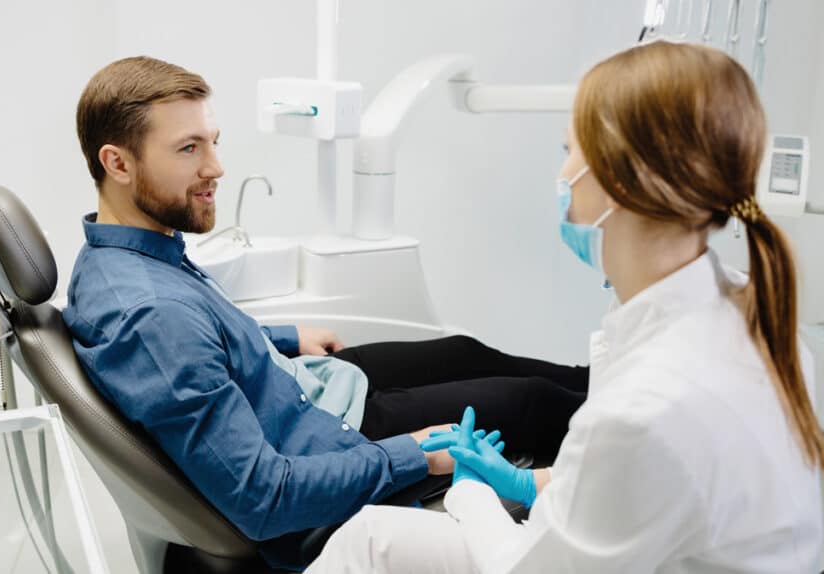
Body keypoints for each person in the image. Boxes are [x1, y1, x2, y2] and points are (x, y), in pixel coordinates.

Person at [305, 40, 824, 574]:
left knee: (374, 540)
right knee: (372, 535)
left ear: (620, 180)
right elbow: (621, 492)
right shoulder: (747, 310)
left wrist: (470, 494)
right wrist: (527, 482)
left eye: (568, 151)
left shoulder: (648, 407)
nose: (562, 175)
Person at [62, 55, 588, 569]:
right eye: (188, 148)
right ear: (118, 163)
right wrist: (414, 456)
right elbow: (262, 497)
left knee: (464, 351)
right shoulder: (152, 315)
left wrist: (283, 337)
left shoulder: (119, 256)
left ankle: (606, 377)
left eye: (213, 142)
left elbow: (199, 337)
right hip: (332, 441)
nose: (215, 167)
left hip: (303, 386)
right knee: (530, 404)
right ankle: (624, 468)